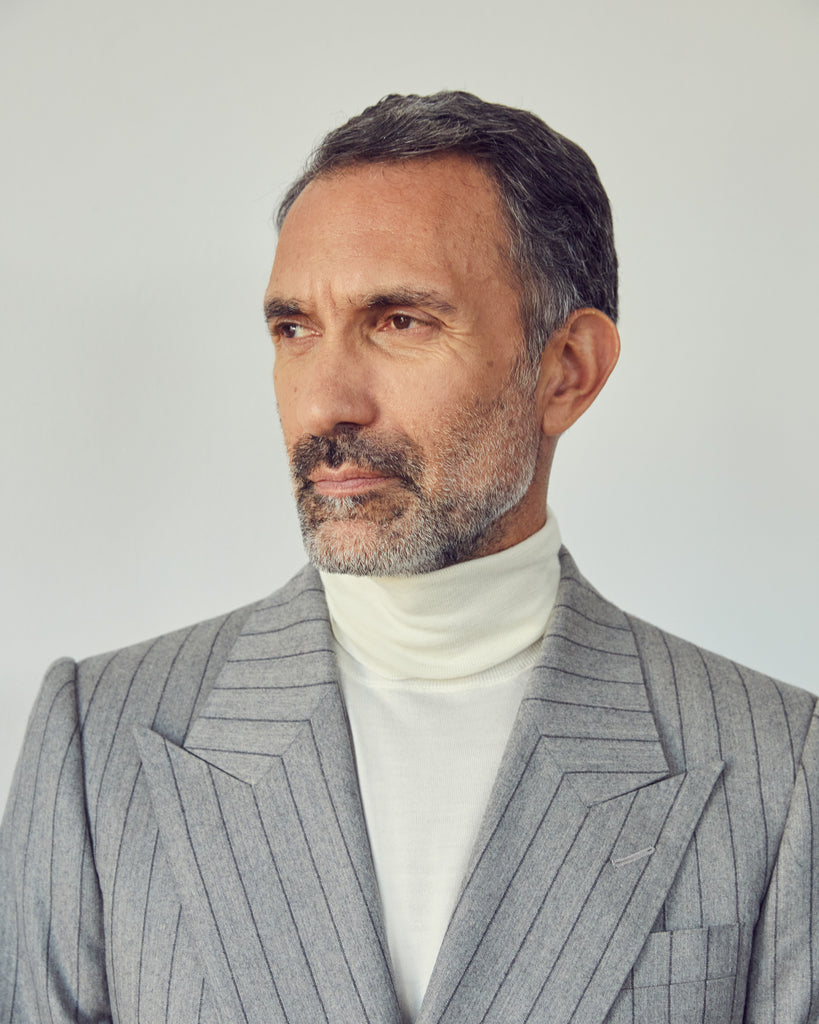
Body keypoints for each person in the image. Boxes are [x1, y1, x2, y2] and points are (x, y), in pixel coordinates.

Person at [1, 91, 816, 1024]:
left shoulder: (777, 766)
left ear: (567, 370)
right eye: (293, 329)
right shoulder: (99, 743)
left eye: (399, 322)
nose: (324, 403)